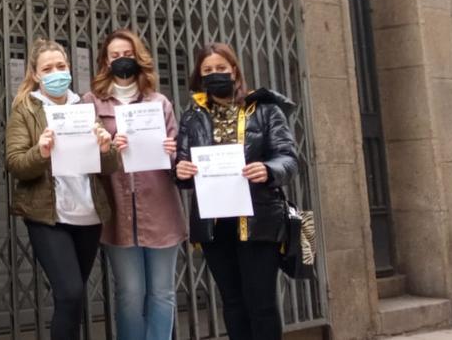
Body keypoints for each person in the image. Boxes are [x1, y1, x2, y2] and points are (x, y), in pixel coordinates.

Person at [175, 42, 298, 340]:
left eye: (220, 68)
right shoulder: (192, 116)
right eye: (207, 70)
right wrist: (180, 171)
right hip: (215, 224)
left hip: (259, 220)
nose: (214, 74)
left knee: (261, 303)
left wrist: (268, 170)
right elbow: (181, 165)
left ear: (234, 70)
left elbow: (289, 157)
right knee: (232, 302)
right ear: (198, 75)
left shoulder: (265, 110)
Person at [5, 38, 119, 340]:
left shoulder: (83, 106)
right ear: (36, 75)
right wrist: (40, 153)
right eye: (48, 68)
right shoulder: (26, 111)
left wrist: (106, 148)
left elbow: (109, 166)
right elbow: (15, 163)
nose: (56, 72)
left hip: (88, 215)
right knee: (69, 293)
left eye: (61, 66)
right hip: (48, 217)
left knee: (74, 298)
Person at [81, 29, 184, 340]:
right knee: (130, 292)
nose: (121, 60)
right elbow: (81, 159)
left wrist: (173, 153)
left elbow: (179, 158)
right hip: (117, 211)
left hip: (161, 209)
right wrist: (106, 146)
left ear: (138, 58)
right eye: (115, 55)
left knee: (163, 292)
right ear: (105, 61)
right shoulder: (91, 102)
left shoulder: (159, 102)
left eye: (127, 54)